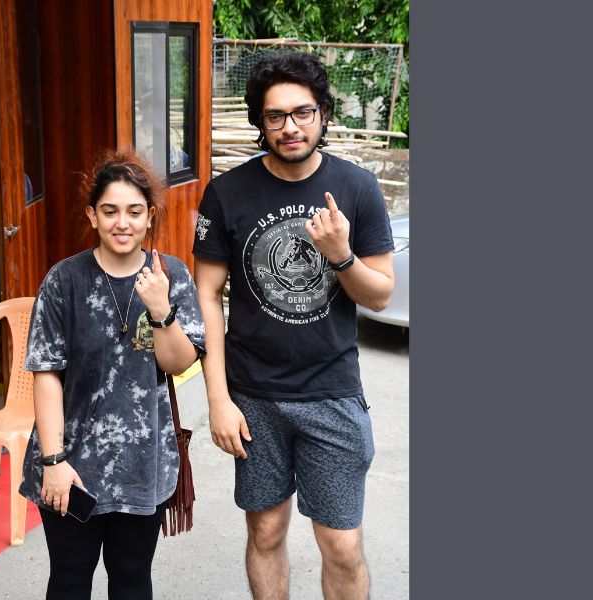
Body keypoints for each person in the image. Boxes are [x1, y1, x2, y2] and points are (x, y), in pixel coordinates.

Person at [193, 50, 394, 600]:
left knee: (342, 545)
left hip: (332, 392)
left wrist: (341, 255)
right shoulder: (227, 193)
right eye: (275, 115)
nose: (290, 127)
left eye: (302, 112)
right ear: (260, 122)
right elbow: (206, 295)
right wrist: (218, 400)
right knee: (265, 531)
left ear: (323, 114)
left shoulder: (357, 187)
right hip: (254, 395)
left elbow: (380, 295)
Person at [19, 148, 205, 600]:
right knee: (69, 578)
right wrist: (53, 462)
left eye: (134, 212)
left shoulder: (172, 275)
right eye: (110, 211)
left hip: (144, 464)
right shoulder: (64, 280)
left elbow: (179, 363)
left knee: (131, 578)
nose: (122, 223)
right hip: (71, 464)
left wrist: (161, 310)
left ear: (149, 216)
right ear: (93, 215)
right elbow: (46, 374)